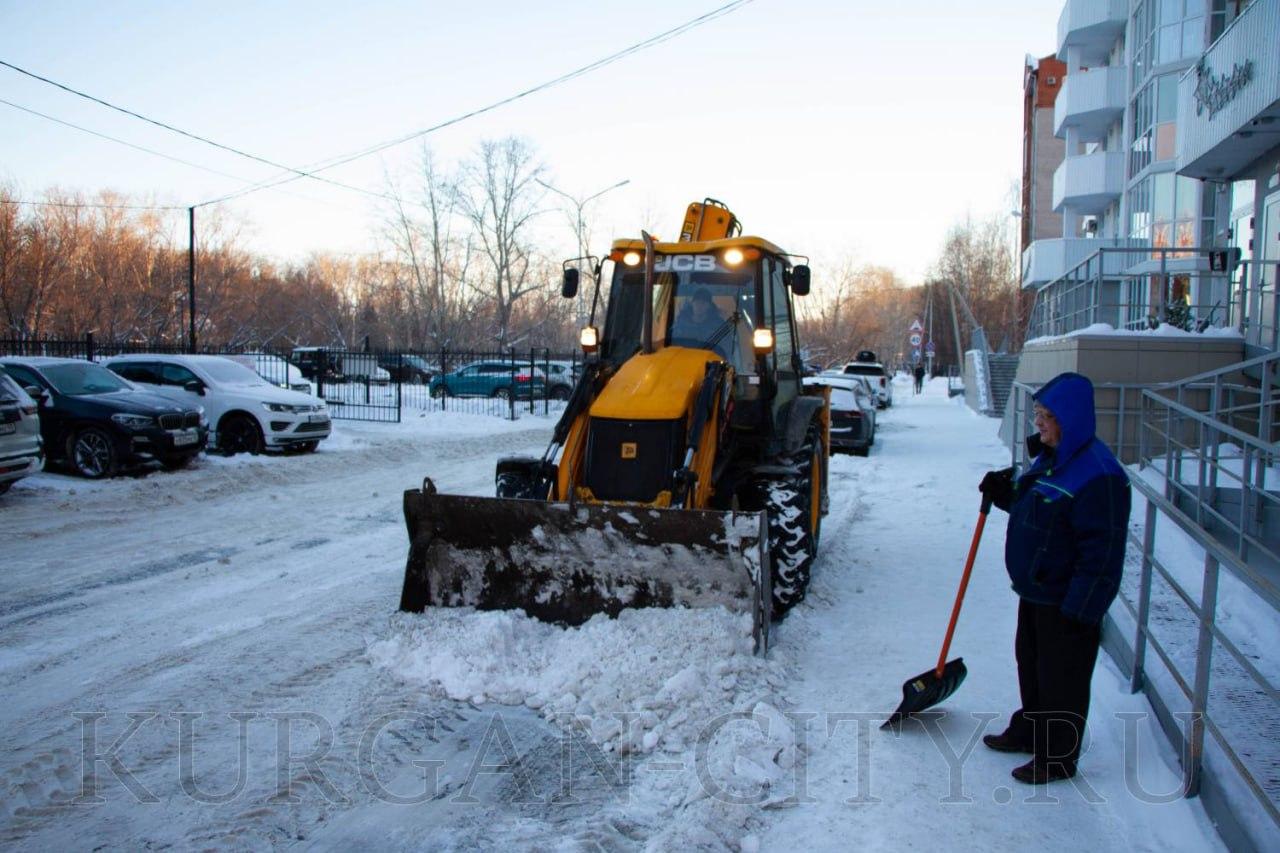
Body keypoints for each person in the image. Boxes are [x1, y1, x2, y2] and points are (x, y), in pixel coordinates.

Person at [978, 372, 1130, 785]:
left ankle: (1057, 758)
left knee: (1062, 679)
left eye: (1047, 415)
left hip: (1067, 603)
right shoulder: (1053, 460)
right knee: (1031, 665)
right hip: (1037, 591)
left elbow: (1103, 553)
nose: (1039, 423)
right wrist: (1004, 492)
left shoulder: (1100, 475)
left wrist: (1079, 611)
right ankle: (1031, 729)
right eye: (1038, 414)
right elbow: (1040, 514)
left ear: (1071, 418)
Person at [671, 287, 729, 355]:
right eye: (697, 302)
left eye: (703, 303)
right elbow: (672, 345)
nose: (699, 306)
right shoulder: (681, 323)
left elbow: (726, 349)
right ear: (692, 303)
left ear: (709, 306)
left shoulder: (718, 326)